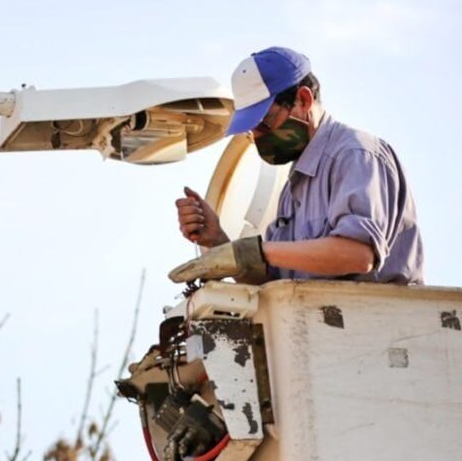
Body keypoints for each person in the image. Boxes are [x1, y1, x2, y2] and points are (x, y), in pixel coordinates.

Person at [170, 46, 423, 285]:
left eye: (264, 122)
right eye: (251, 129)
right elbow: (275, 286)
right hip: (318, 324)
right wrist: (220, 243)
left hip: (380, 326)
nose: (257, 136)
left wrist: (256, 250)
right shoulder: (294, 187)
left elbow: (358, 254)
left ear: (303, 99)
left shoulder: (355, 154)